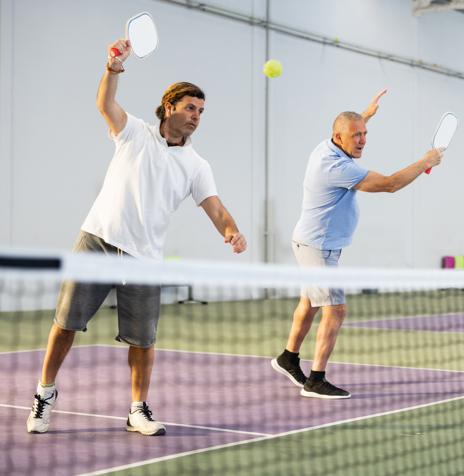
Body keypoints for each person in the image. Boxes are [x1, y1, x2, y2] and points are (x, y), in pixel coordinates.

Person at [26, 39, 247, 436]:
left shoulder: (197, 165)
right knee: (65, 323)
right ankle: (44, 394)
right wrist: (112, 68)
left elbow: (215, 207)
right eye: (190, 108)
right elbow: (104, 105)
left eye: (201, 111)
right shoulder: (134, 133)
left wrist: (230, 230)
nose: (196, 116)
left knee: (143, 340)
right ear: (168, 107)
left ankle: (137, 409)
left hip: (145, 257)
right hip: (98, 240)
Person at [271, 89, 443, 399]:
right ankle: (316, 379)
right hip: (318, 247)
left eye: (364, 134)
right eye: (355, 136)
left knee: (310, 303)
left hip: (312, 242)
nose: (362, 140)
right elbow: (390, 185)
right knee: (335, 309)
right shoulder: (337, 167)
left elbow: (350, 124)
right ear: (338, 137)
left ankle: (288, 358)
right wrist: (425, 161)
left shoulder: (325, 146)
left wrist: (366, 113)